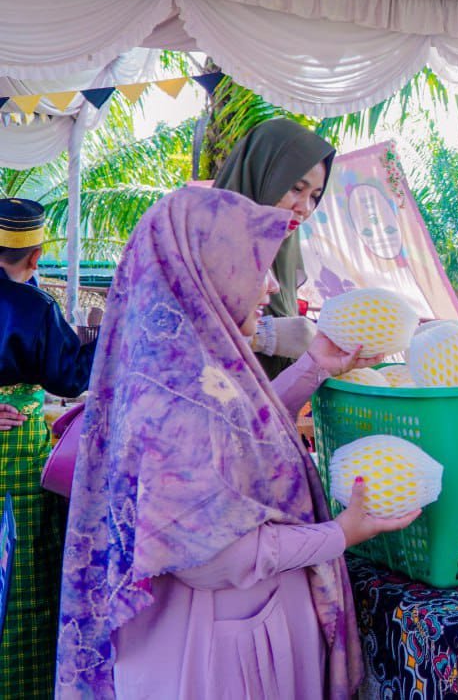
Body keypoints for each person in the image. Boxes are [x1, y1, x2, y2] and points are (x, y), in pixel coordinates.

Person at [56, 187, 417, 698]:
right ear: (209, 269)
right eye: (257, 266)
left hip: (232, 632)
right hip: (221, 654)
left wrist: (314, 366)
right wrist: (339, 534)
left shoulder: (185, 360)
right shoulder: (175, 394)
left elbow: (241, 436)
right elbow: (215, 558)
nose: (271, 285)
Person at [0, 197, 97, 699]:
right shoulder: (34, 307)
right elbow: (72, 377)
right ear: (36, 255)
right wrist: (104, 336)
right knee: (20, 573)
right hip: (15, 452)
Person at [214, 117, 337, 377]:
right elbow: (172, 334)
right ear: (260, 176)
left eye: (314, 196)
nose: (304, 208)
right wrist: (261, 336)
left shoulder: (281, 255)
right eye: (296, 188)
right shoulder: (204, 242)